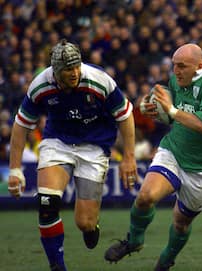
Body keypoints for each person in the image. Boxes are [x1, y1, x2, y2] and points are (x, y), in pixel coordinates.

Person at [7, 39, 138, 271]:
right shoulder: (40, 85)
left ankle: (91, 227)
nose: (74, 72)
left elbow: (125, 115)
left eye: (77, 66)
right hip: (58, 142)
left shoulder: (99, 80)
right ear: (55, 71)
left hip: (94, 146)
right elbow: (21, 125)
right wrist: (15, 169)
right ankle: (57, 267)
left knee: (84, 223)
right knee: (47, 204)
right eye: (68, 69)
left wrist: (129, 157)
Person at [104, 43, 202, 270]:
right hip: (174, 151)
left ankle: (166, 259)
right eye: (174, 66)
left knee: (181, 223)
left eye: (182, 66)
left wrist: (171, 111)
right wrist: (149, 107)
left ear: (199, 66)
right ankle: (134, 240)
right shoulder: (177, 80)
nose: (176, 72)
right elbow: (174, 114)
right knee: (145, 197)